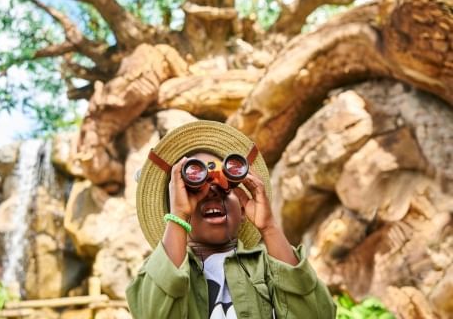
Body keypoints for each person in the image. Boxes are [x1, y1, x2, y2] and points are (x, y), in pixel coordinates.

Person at [126, 120, 336, 318]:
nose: (212, 193)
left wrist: (269, 227)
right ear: (174, 209)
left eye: (225, 188)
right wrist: (179, 215)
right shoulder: (157, 273)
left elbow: (318, 314)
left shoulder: (269, 267)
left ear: (243, 210)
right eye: (195, 189)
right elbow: (152, 313)